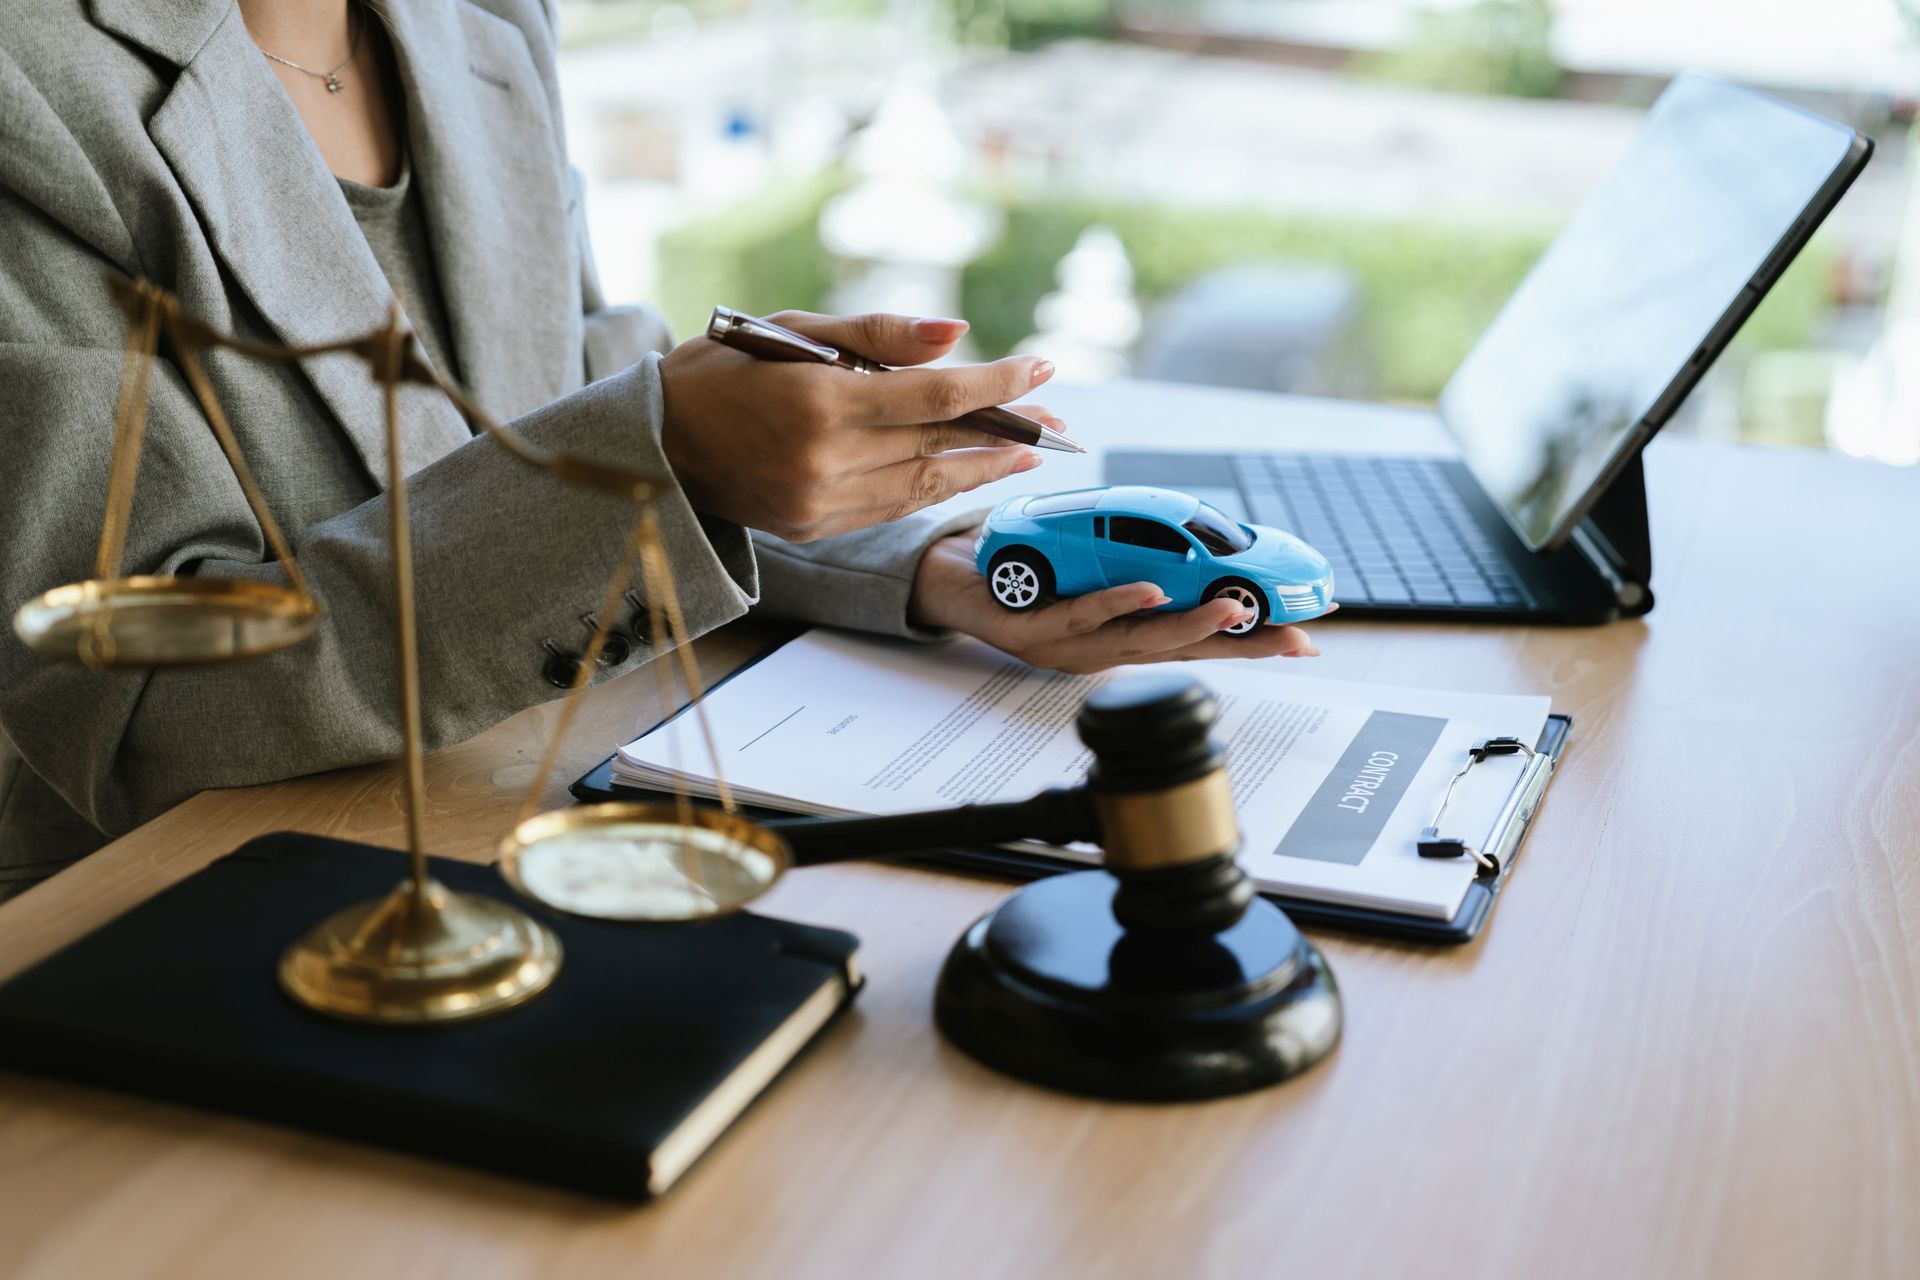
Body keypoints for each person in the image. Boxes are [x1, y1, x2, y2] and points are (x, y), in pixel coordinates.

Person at [0, 0, 1321, 901]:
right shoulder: (34, 88)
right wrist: (666, 459)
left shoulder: (479, 22)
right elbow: (137, 701)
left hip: (506, 822)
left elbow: (570, 395)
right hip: (169, 928)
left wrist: (931, 561)